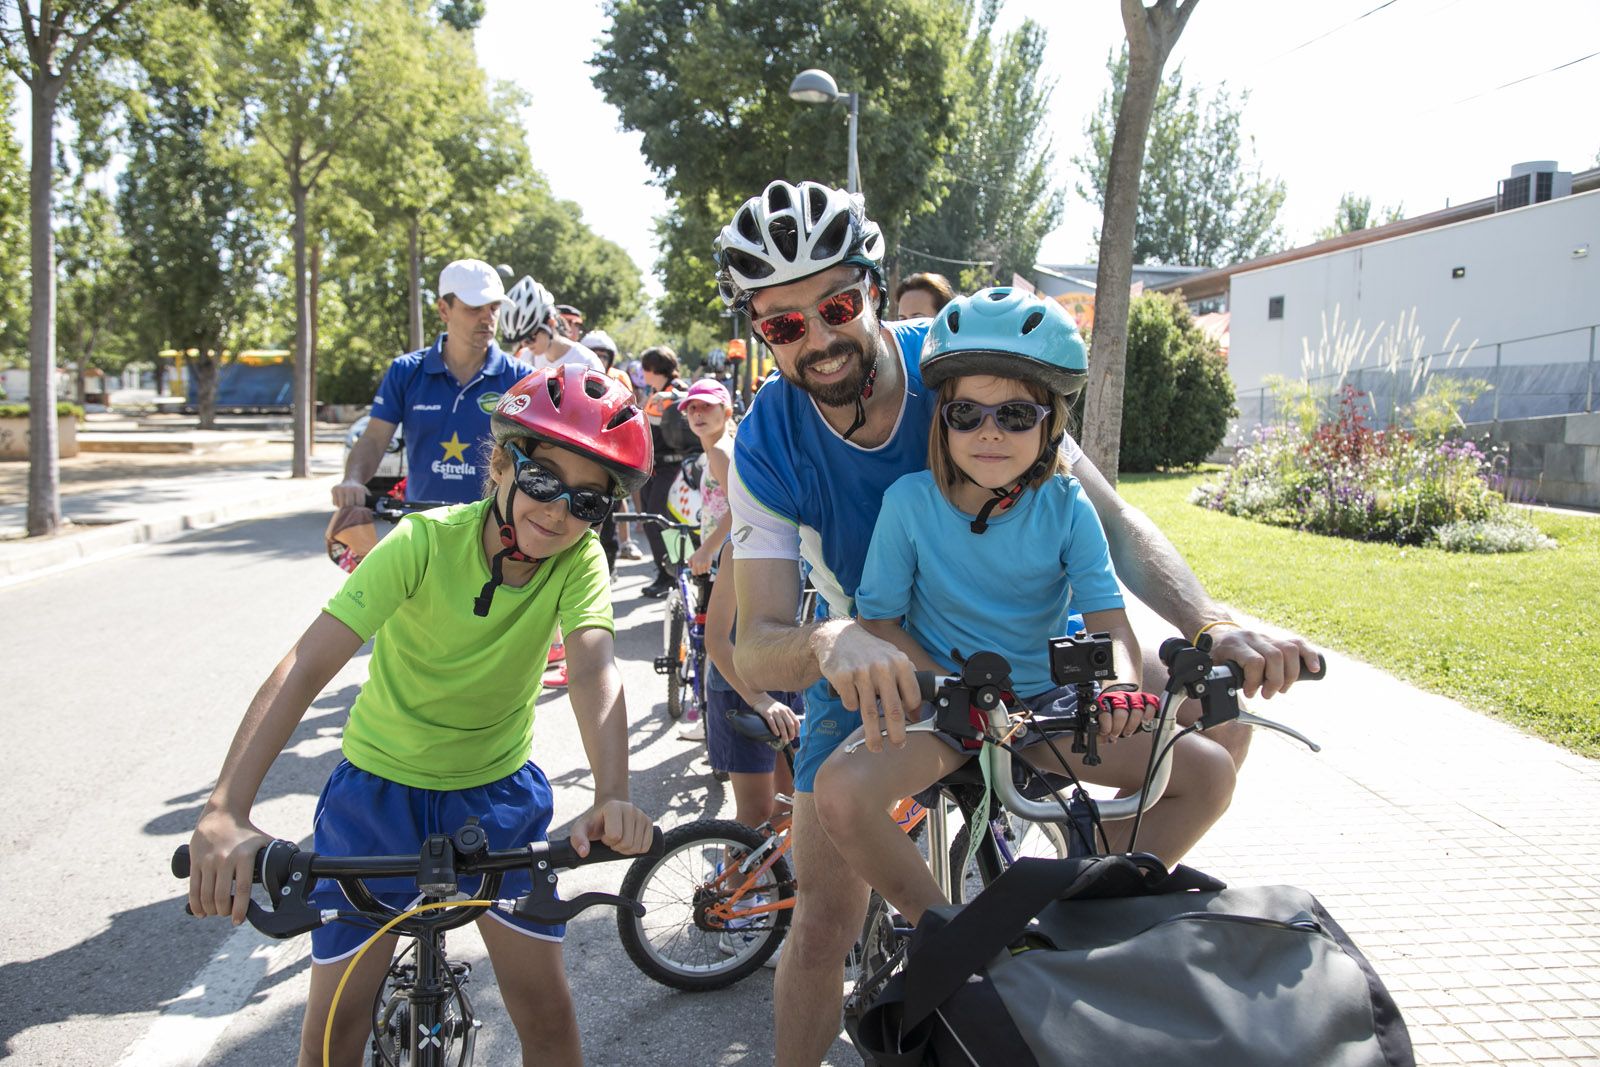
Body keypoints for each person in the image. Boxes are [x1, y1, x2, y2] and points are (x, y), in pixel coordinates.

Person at [713, 179, 1320, 1067]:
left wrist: (1210, 622)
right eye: (783, 324)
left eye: (836, 304)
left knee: (1218, 730)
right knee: (824, 914)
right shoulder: (768, 438)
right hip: (881, 662)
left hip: (1038, 652)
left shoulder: (965, 363)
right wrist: (827, 641)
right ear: (761, 333)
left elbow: (1108, 516)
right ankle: (946, 951)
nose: (819, 337)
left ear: (875, 287)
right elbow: (755, 638)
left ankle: (1081, 910)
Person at [186, 364, 656, 1067]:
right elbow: (305, 666)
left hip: (495, 793)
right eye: (541, 480)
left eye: (587, 502)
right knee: (332, 1034)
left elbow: (592, 665)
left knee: (550, 1022)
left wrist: (613, 792)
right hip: (375, 796)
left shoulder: (579, 558)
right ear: (502, 461)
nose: (558, 512)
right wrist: (226, 807)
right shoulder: (420, 541)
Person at [815, 287, 1234, 927]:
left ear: (1052, 424)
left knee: (1208, 773)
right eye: (967, 416)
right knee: (839, 791)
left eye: (1015, 416)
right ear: (942, 420)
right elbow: (877, 622)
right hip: (951, 707)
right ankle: (947, 934)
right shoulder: (908, 503)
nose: (989, 433)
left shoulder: (1068, 508)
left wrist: (1121, 689)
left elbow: (1110, 625)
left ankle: (1076, 907)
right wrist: (952, 687)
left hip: (1043, 711)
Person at [334, 259, 533, 508]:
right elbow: (374, 439)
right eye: (474, 308)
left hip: (493, 534)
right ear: (443, 310)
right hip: (420, 530)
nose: (487, 318)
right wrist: (352, 480)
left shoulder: (523, 379)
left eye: (494, 308)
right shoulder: (405, 371)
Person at [503, 277, 603, 686]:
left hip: (577, 475)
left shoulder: (583, 357)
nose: (527, 345)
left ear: (550, 322)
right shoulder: (526, 361)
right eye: (519, 340)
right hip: (538, 476)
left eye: (531, 335)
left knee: (571, 556)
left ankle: (576, 644)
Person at [637, 345, 700, 599]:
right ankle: (671, 573)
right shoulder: (657, 392)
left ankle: (672, 574)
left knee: (661, 522)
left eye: (645, 369)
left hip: (672, 467)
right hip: (656, 467)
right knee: (655, 520)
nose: (643, 373)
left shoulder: (677, 393)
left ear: (653, 368)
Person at [581, 329, 646, 570]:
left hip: (608, 457)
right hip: (580, 455)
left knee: (607, 514)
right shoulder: (572, 379)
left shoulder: (619, 379)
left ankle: (607, 566)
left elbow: (629, 415)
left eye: (603, 356)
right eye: (593, 354)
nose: (599, 360)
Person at [504, 278, 604, 375]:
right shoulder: (525, 358)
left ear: (551, 323)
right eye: (521, 339)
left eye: (530, 336)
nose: (525, 344)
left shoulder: (586, 361)